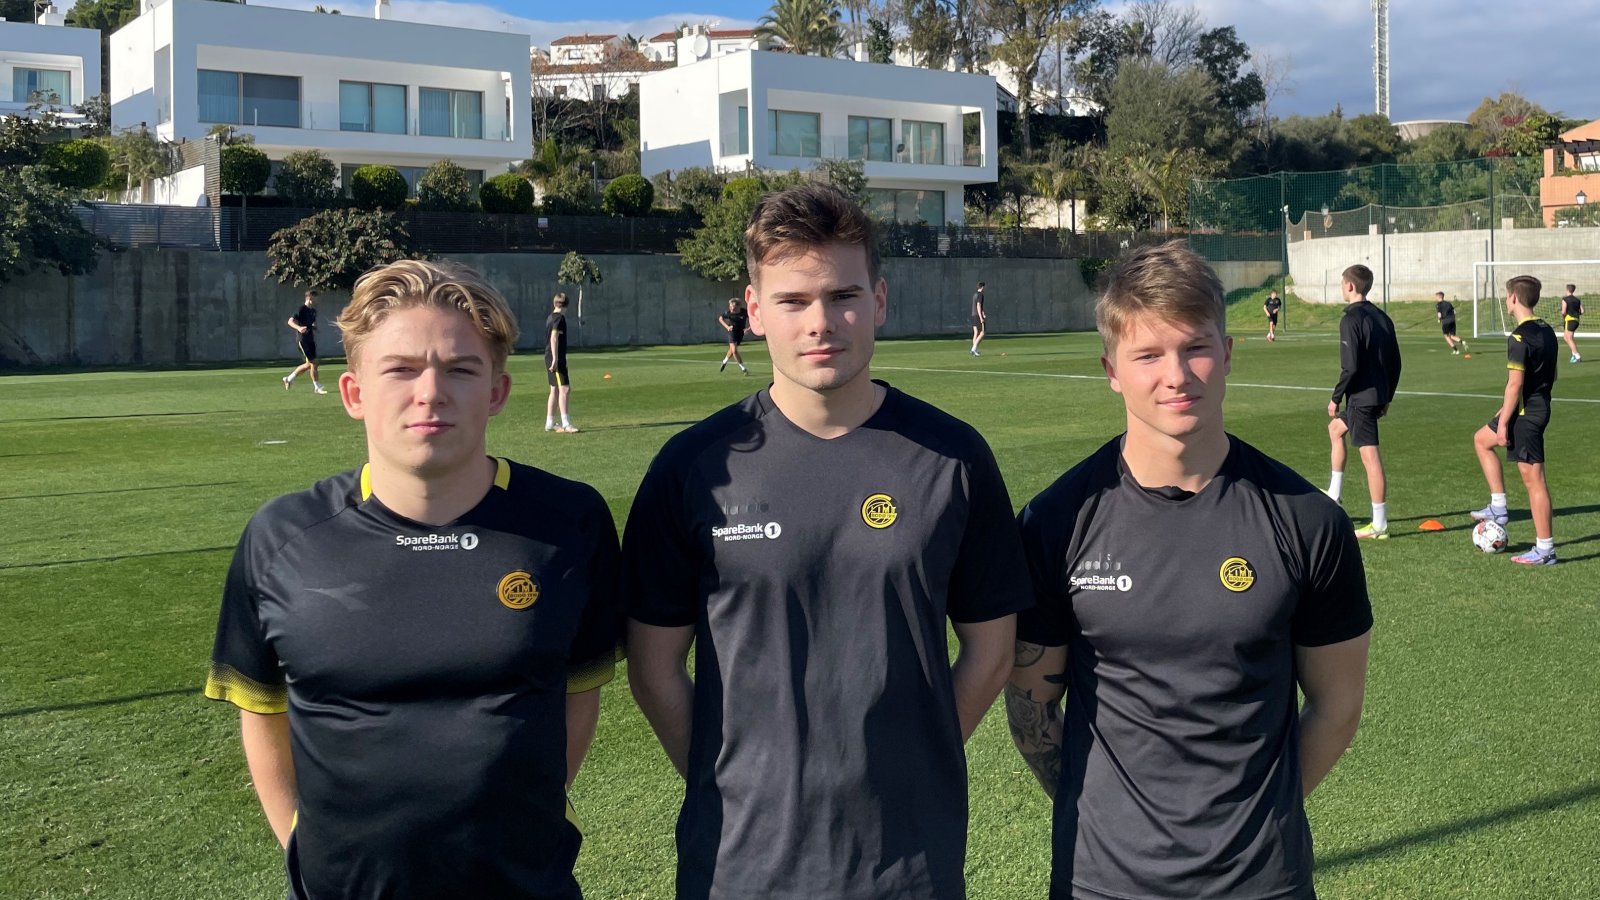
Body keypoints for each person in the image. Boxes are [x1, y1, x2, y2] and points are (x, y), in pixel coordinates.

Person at [622, 184, 1029, 900]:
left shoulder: (953, 458)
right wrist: (739, 786)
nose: (821, 323)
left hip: (910, 868)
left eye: (843, 296)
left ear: (878, 301)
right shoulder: (692, 469)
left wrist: (913, 767)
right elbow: (654, 669)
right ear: (754, 312)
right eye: (792, 301)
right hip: (738, 869)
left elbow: (991, 650)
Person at [205, 259, 623, 899]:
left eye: (460, 369)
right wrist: (304, 844)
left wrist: (526, 816)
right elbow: (262, 712)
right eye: (400, 369)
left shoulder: (571, 522)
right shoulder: (282, 538)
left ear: (497, 392)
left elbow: (579, 692)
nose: (431, 392)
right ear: (354, 394)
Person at [1004, 241, 1373, 900]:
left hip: (1262, 882)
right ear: (1111, 370)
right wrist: (1111, 822)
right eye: (1147, 355)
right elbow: (1032, 710)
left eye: (1195, 348)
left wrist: (1255, 822)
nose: (1176, 375)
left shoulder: (1309, 521)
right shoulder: (1054, 522)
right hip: (1102, 882)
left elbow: (1337, 707)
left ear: (1226, 354)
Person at [1471, 275, 1560, 565]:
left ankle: (1545, 550)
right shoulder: (1547, 330)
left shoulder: (1519, 337)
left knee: (1534, 480)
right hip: (1534, 407)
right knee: (1481, 440)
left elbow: (1515, 383)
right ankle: (1498, 507)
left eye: (1507, 295)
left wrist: (1505, 422)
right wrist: (1505, 411)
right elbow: (1553, 374)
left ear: (1513, 298)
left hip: (1527, 415)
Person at [1325, 264, 1402, 539]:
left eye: (1341, 283)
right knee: (1336, 430)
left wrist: (1335, 398)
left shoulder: (1350, 319)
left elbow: (1351, 367)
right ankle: (1334, 494)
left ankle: (1379, 525)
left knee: (1370, 458)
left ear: (1349, 286)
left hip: (1361, 398)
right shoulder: (1382, 317)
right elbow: (1396, 362)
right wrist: (1388, 396)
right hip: (1376, 395)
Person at [282, 290, 328, 394]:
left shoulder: (313, 311)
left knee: (309, 364)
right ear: (310, 297)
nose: (317, 300)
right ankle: (317, 387)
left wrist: (314, 327)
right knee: (314, 363)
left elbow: (312, 323)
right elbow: (290, 321)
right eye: (315, 298)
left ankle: (288, 379)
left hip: (311, 339)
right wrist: (299, 328)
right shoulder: (301, 309)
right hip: (303, 340)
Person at [545, 292, 577, 433]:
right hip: (556, 358)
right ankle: (566, 424)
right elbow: (553, 338)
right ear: (567, 305)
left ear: (554, 303)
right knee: (564, 389)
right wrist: (555, 359)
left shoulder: (550, 317)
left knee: (555, 390)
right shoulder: (559, 318)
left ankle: (549, 423)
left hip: (550, 356)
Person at [717, 297, 750, 374]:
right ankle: (743, 368)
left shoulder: (744, 312)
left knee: (732, 350)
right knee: (734, 350)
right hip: (732, 332)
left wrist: (748, 329)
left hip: (740, 333)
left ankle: (724, 361)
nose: (731, 308)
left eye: (733, 306)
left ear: (738, 306)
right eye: (730, 306)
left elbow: (754, 319)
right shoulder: (728, 313)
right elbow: (720, 318)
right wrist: (727, 327)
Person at [1436, 291, 1469, 355]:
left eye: (1436, 296)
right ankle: (1462, 342)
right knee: (1452, 336)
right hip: (1452, 321)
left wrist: (1439, 319)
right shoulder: (1448, 303)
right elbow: (1454, 312)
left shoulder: (1438, 305)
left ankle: (1456, 350)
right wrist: (1453, 318)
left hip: (1445, 322)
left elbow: (1439, 314)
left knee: (1446, 336)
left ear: (1439, 297)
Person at [1559, 283, 1582, 363]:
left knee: (1568, 338)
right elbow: (1582, 311)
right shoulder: (1578, 300)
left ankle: (1577, 356)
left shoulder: (1565, 299)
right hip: (1576, 320)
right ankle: (1574, 355)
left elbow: (1563, 311)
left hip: (1569, 320)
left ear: (1567, 289)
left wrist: (1564, 316)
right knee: (1567, 337)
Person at [970, 281, 987, 356]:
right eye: (985, 287)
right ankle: (973, 349)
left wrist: (983, 313)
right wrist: (981, 317)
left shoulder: (975, 294)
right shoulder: (980, 295)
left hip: (973, 315)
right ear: (982, 287)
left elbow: (979, 306)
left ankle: (974, 350)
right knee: (983, 332)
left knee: (976, 332)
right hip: (977, 316)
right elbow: (978, 305)